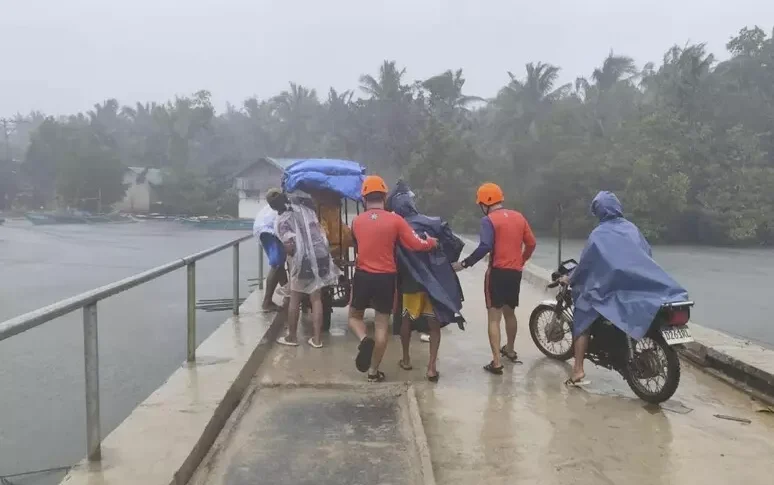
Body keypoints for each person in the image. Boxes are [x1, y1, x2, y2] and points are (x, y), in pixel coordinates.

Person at [557, 191, 688, 386]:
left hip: (610, 289)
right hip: (637, 285)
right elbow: (647, 253)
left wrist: (570, 278)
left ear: (598, 211)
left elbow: (585, 264)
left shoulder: (598, 235)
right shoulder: (632, 229)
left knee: (582, 318)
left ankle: (578, 370)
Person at [348, 175, 438, 382]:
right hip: (386, 278)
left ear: (364, 199)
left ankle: (363, 340)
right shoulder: (396, 220)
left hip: (363, 276)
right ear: (385, 196)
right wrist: (431, 243)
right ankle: (373, 372)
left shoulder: (356, 222)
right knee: (381, 325)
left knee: (354, 317)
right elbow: (416, 244)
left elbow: (356, 243)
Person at [453, 183, 536, 375]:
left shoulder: (488, 220)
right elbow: (531, 243)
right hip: (515, 273)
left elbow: (485, 246)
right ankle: (511, 349)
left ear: (484, 203)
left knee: (494, 317)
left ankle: (496, 362)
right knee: (510, 312)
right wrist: (521, 261)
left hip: (497, 272)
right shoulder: (519, 217)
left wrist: (464, 264)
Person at [387, 180, 465, 382]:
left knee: (405, 319)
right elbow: (454, 244)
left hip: (410, 283)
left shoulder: (397, 227)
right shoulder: (434, 222)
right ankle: (431, 367)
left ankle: (405, 359)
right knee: (433, 324)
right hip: (434, 284)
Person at [268, 189, 340, 348]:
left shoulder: (282, 220)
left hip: (303, 260)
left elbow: (291, 247)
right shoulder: (307, 211)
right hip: (321, 257)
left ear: (272, 207)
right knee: (316, 297)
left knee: (295, 298)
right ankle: (317, 339)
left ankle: (292, 337)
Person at [253, 188, 289, 312]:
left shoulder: (282, 203)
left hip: (266, 229)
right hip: (267, 230)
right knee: (277, 263)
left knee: (280, 263)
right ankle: (267, 302)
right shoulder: (282, 206)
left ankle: (288, 295)